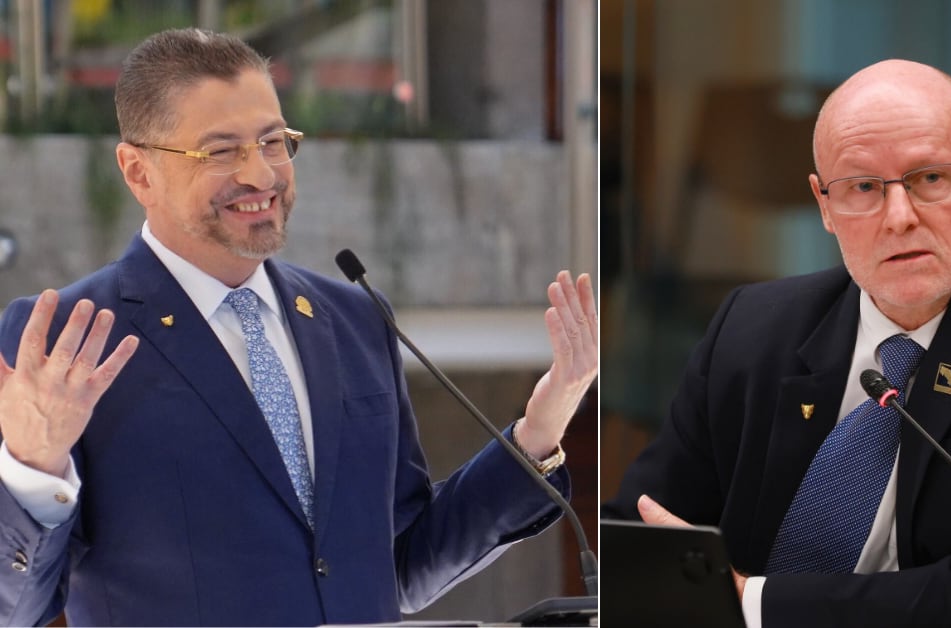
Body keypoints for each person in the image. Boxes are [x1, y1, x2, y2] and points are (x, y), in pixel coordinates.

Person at [0, 28, 597, 626]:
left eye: (273, 141)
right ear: (138, 172)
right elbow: (16, 609)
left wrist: (538, 434)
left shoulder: (355, 319)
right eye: (222, 151)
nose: (261, 175)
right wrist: (32, 466)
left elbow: (402, 566)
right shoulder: (62, 344)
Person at [603, 58, 951, 627]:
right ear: (825, 205)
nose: (899, 218)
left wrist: (750, 603)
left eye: (930, 179)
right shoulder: (751, 330)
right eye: (863, 187)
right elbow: (644, 539)